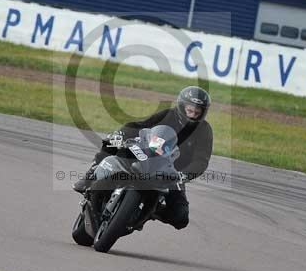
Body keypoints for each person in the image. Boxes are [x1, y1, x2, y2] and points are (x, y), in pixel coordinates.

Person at [73, 86, 213, 230]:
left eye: (197, 112)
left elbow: (201, 160)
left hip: (171, 173)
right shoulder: (167, 115)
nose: (192, 115)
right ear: (182, 106)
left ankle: (147, 210)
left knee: (180, 217)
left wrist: (183, 175)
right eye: (190, 110)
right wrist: (121, 134)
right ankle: (89, 176)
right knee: (111, 142)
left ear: (203, 113)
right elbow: (138, 125)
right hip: (147, 155)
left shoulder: (204, 130)